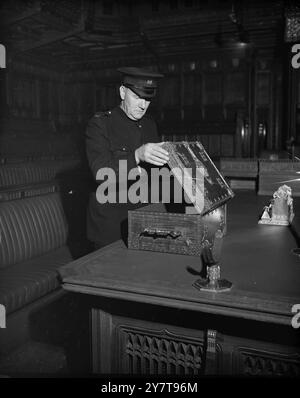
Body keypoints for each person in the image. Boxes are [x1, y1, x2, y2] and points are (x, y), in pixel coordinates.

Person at [85, 67, 169, 250]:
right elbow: (101, 174)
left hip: (143, 223)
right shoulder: (100, 124)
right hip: (111, 230)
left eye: (147, 99)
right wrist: (137, 156)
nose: (143, 105)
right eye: (137, 97)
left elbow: (154, 177)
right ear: (122, 92)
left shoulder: (149, 124)